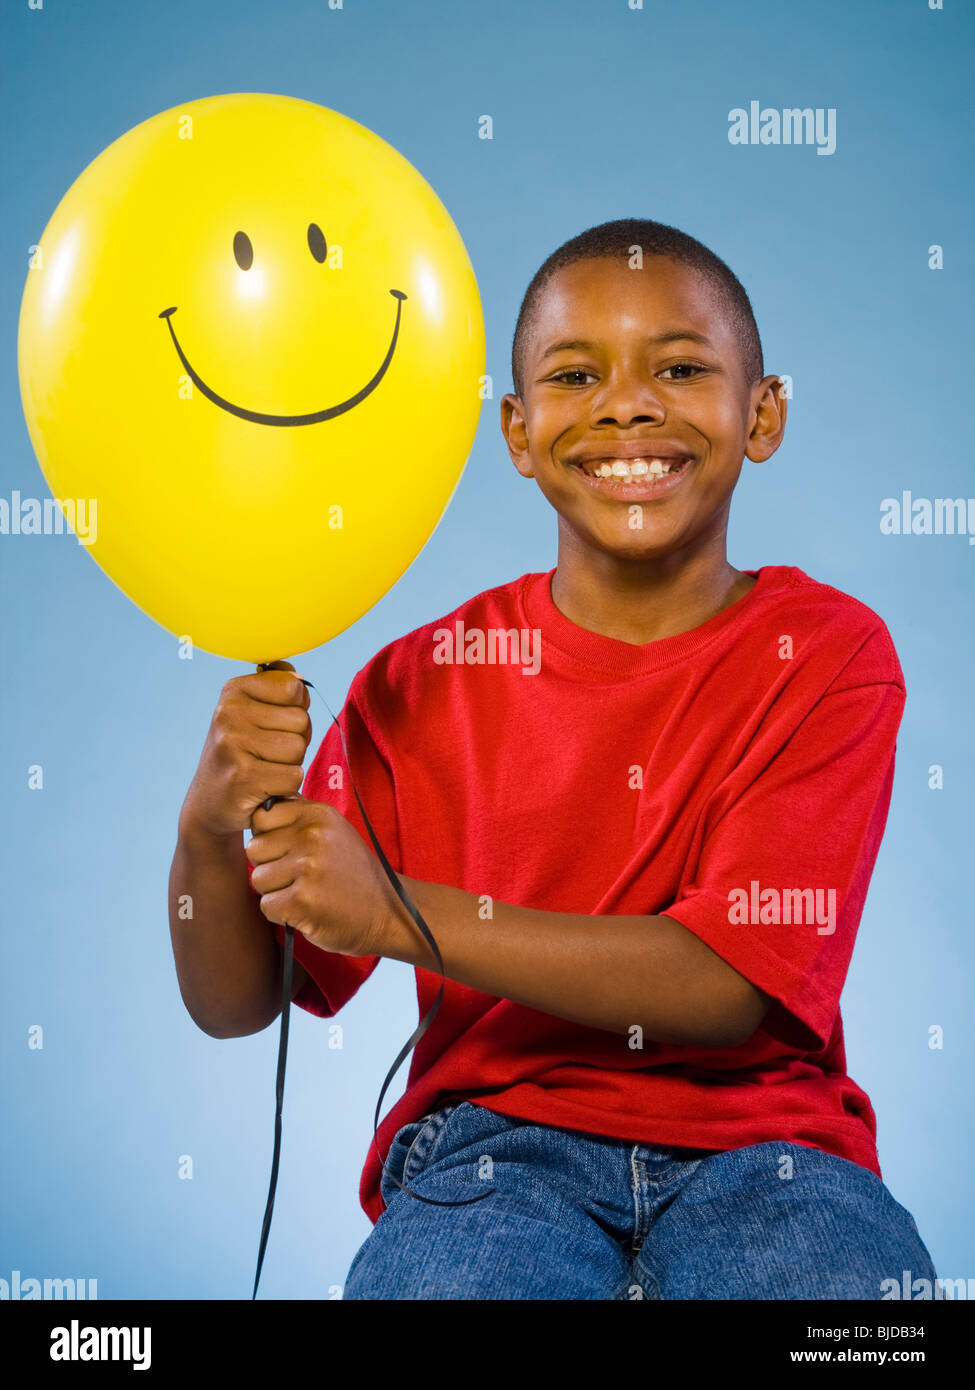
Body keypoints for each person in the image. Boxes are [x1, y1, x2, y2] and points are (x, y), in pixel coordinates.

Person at [168, 218, 938, 1300]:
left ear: (761, 414)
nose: (628, 404)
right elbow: (241, 998)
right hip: (489, 1157)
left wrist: (394, 911)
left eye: (679, 367)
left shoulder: (827, 651)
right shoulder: (417, 681)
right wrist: (211, 828)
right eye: (577, 375)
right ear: (519, 434)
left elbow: (727, 986)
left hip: (773, 1155)